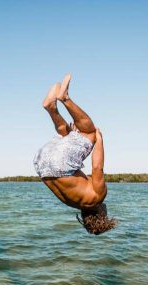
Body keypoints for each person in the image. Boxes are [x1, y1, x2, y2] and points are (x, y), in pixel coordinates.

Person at [33, 74, 117, 235]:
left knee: (89, 132)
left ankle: (65, 99)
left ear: (100, 214)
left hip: (60, 165)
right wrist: (72, 140)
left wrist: (98, 140)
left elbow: (97, 168)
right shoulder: (72, 202)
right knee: (69, 135)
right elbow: (60, 172)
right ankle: (51, 108)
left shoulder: (98, 197)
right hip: (41, 164)